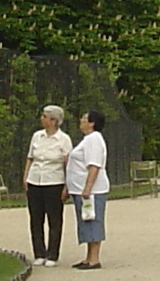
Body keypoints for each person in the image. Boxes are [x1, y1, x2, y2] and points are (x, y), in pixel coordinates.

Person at [23, 104, 73, 266]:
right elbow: (31, 157)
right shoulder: (37, 136)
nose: (42, 119)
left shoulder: (64, 140)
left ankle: (52, 254)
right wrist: (26, 177)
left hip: (54, 181)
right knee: (36, 218)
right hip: (35, 180)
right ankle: (39, 252)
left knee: (54, 219)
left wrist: (67, 186)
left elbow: (68, 164)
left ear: (54, 121)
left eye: (45, 116)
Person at [68, 109, 110, 269]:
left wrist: (88, 187)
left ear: (92, 123)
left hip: (92, 190)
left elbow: (94, 165)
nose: (81, 120)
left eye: (85, 118)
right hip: (80, 188)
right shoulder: (87, 139)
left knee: (93, 220)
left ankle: (94, 258)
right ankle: (88, 256)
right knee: (86, 220)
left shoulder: (94, 139)